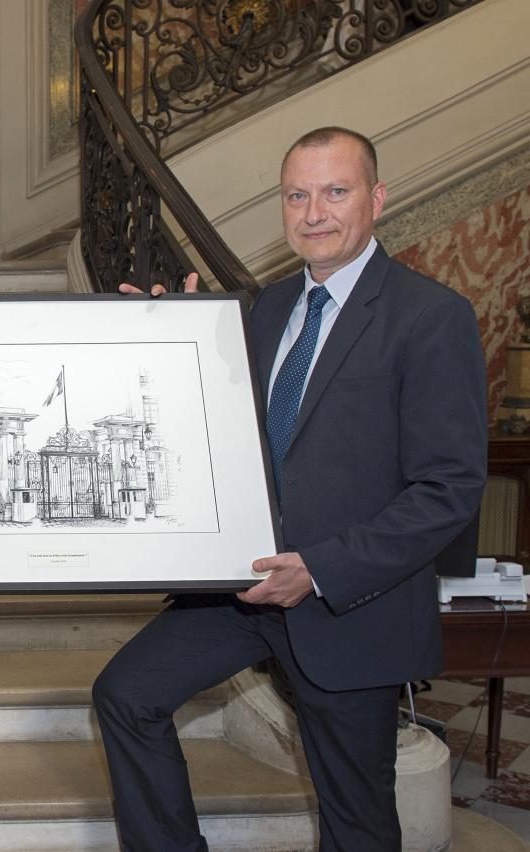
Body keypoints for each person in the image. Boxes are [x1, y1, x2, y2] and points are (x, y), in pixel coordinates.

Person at [93, 126, 486, 850]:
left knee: (356, 818)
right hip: (243, 590)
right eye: (297, 195)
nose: (314, 213)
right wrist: (161, 338)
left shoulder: (431, 318)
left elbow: (449, 490)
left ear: (377, 198)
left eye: (336, 192)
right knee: (126, 695)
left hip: (346, 601)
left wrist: (321, 569)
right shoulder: (264, 308)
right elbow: (212, 432)